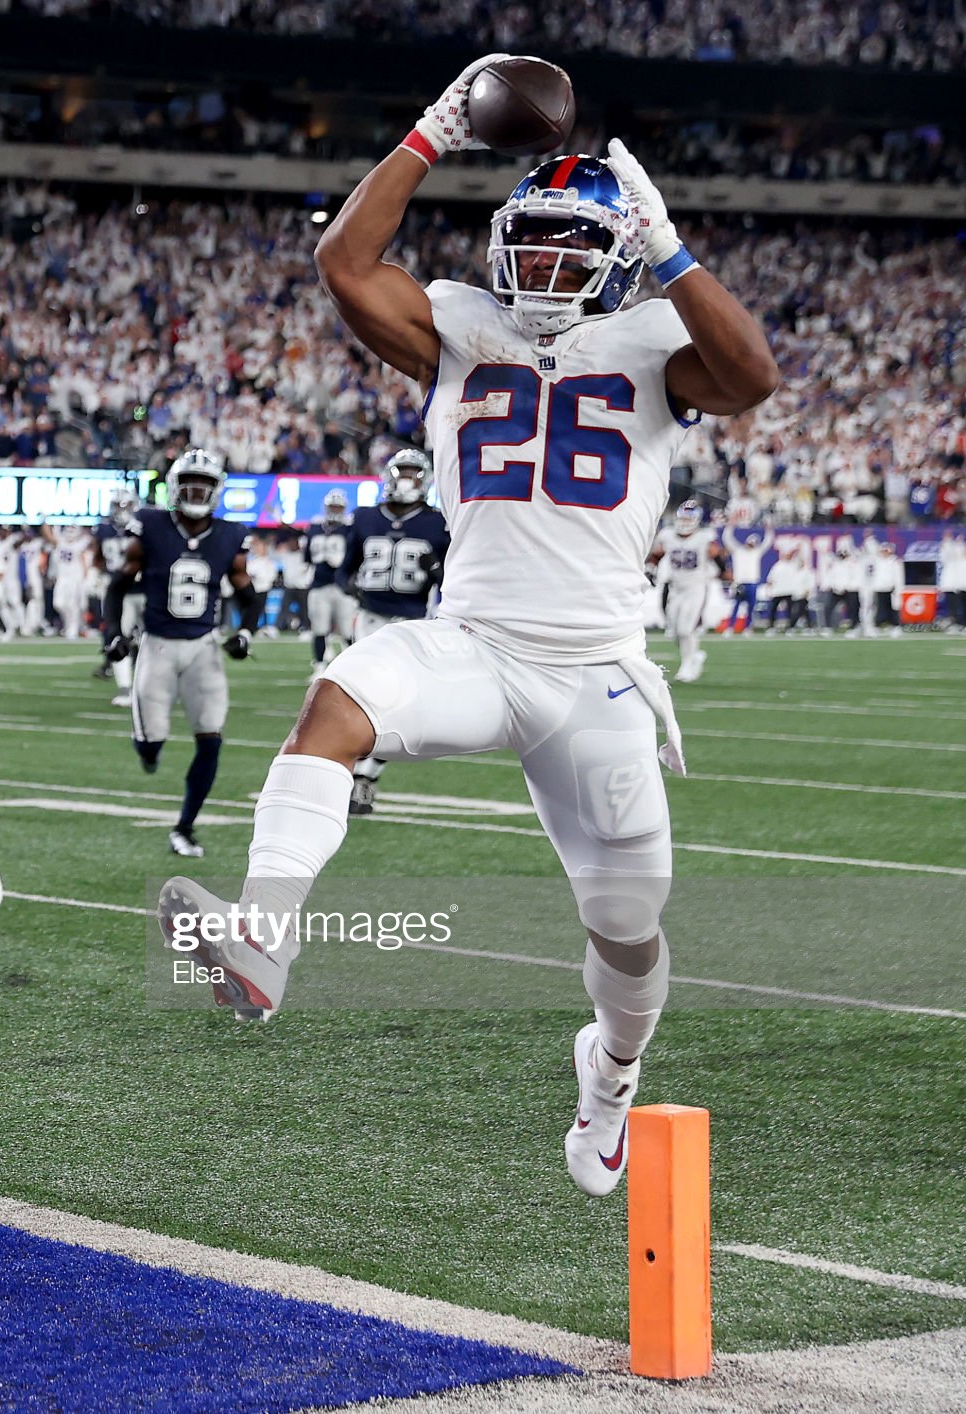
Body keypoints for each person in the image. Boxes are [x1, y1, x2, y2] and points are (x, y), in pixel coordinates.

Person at [164, 59, 777, 1199]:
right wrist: (433, 130)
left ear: (615, 252)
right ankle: (262, 934)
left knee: (624, 923)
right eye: (528, 237)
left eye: (570, 243)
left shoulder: (653, 335)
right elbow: (342, 261)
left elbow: (749, 375)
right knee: (332, 705)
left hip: (596, 676)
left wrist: (670, 244)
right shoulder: (458, 322)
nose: (542, 261)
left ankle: (610, 1076)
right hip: (474, 642)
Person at [103, 447, 260, 858]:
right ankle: (149, 752)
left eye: (204, 484)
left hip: (203, 648)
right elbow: (118, 586)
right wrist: (112, 635)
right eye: (188, 482)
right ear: (174, 486)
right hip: (156, 646)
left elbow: (247, 593)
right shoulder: (152, 525)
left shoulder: (229, 534)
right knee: (151, 742)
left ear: (217, 489)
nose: (195, 490)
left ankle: (185, 828)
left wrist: (245, 632)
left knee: (210, 740)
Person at [339, 449, 449, 814]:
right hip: (368, 619)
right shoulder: (366, 517)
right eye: (401, 472)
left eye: (414, 474)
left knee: (398, 704)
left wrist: (435, 569)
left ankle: (366, 776)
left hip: (412, 623)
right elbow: (345, 568)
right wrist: (351, 587)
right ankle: (353, 774)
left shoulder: (437, 523)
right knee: (361, 700)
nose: (406, 480)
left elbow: (453, 580)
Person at [648, 499, 724, 682]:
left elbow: (718, 555)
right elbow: (656, 555)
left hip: (696, 588)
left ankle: (688, 666)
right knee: (673, 632)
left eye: (689, 518)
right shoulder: (668, 535)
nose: (685, 522)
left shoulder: (704, 537)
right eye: (683, 518)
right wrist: (650, 571)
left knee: (685, 629)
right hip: (676, 589)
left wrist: (727, 575)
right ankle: (694, 655)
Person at [90, 489, 142, 704]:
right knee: (116, 636)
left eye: (125, 506)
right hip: (119, 590)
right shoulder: (104, 529)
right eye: (118, 506)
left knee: (158, 639)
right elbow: (98, 557)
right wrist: (100, 575)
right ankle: (125, 689)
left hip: (145, 588)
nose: (121, 511)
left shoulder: (142, 526)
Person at [304, 488, 353, 670]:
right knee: (319, 628)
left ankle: (351, 668)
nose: (335, 510)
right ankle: (319, 667)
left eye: (338, 507)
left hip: (343, 586)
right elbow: (308, 557)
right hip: (319, 585)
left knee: (348, 630)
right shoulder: (315, 528)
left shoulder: (349, 530)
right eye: (332, 506)